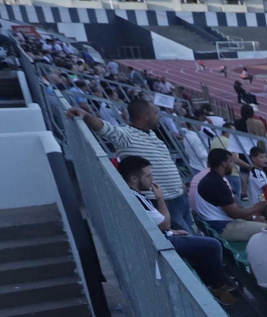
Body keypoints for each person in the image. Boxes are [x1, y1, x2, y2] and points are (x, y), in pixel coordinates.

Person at [118, 155, 238, 305]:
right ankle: (218, 288)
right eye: (148, 176)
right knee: (213, 245)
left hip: (161, 236)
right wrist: (160, 198)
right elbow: (165, 224)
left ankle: (211, 285)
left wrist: (171, 231)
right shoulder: (136, 197)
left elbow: (160, 226)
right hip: (159, 242)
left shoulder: (133, 194)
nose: (152, 179)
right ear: (134, 179)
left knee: (195, 241)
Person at [67, 97, 192, 231]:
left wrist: (180, 185)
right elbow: (105, 128)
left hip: (180, 198)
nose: (158, 116)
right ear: (145, 116)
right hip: (164, 202)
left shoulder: (152, 134)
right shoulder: (127, 135)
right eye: (155, 113)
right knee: (188, 239)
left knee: (191, 237)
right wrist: (86, 115)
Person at [193, 147, 267, 239]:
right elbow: (234, 213)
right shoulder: (217, 183)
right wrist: (256, 208)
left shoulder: (211, 178)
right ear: (224, 163)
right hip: (222, 227)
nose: (232, 165)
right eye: (231, 162)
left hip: (217, 224)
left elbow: (234, 209)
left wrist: (254, 218)